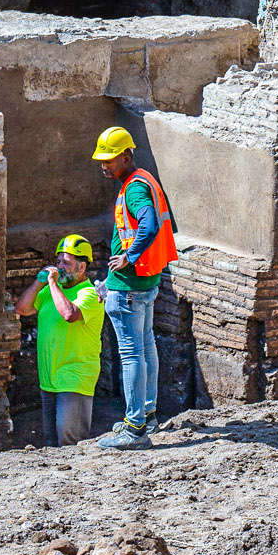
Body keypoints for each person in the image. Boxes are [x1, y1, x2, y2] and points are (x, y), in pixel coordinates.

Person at [91, 126, 176, 450]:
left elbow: (150, 223)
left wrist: (128, 256)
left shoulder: (135, 188)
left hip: (129, 285)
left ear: (127, 155)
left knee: (131, 355)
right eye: (102, 160)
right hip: (146, 280)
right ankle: (148, 413)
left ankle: (135, 427)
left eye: (110, 160)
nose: (104, 166)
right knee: (145, 346)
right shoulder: (143, 178)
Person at [13, 234, 105, 446]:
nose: (59, 267)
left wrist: (53, 284)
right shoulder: (49, 291)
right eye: (58, 261)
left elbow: (69, 314)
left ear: (82, 268)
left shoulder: (90, 294)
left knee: (71, 442)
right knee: (51, 444)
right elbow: (22, 309)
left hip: (74, 378)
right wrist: (39, 282)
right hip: (50, 377)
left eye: (66, 263)